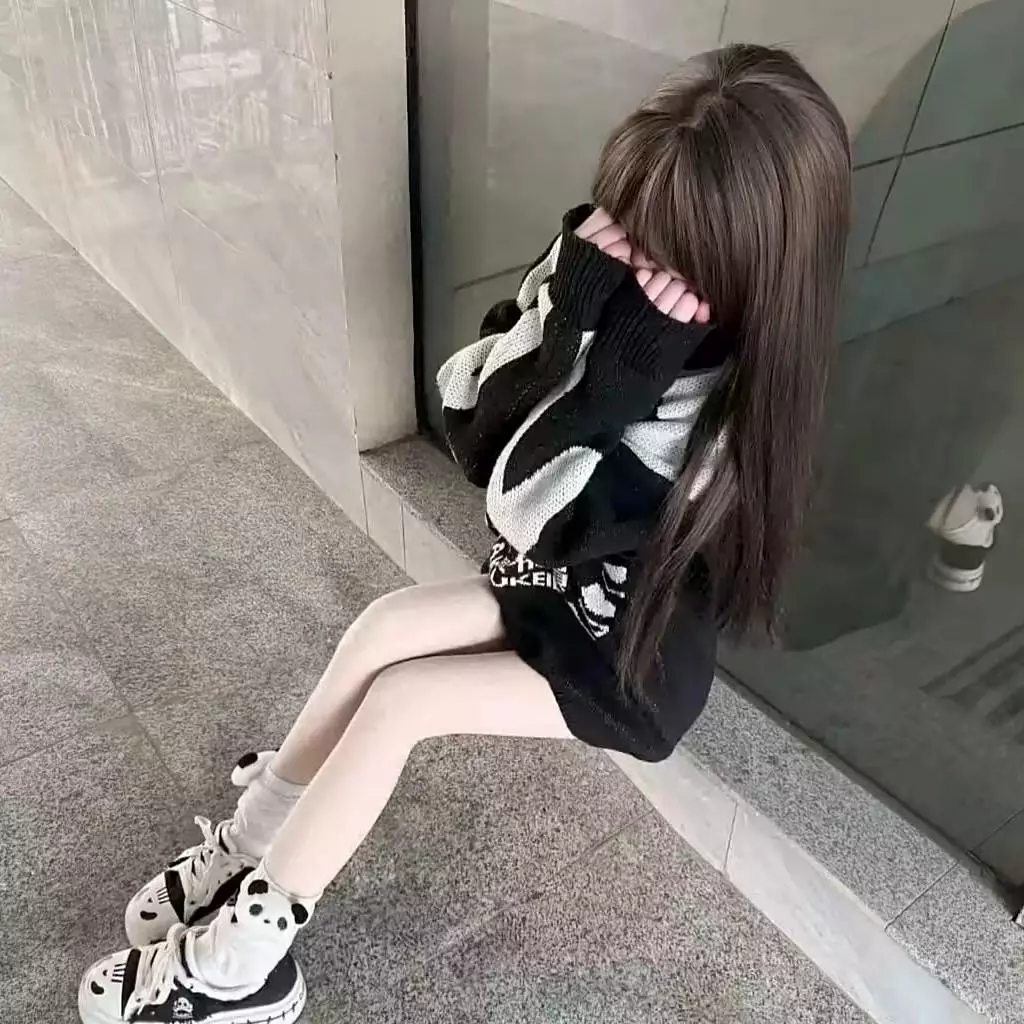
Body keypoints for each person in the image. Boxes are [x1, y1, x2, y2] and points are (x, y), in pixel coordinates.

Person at [77, 43, 851, 1024]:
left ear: (750, 272)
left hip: (624, 659)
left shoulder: (719, 415)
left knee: (402, 701)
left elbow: (529, 509)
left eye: (669, 258)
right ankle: (246, 848)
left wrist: (612, 379)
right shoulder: (602, 273)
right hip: (543, 593)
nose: (634, 265)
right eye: (633, 228)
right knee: (384, 627)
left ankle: (243, 970)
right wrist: (566, 312)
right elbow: (468, 420)